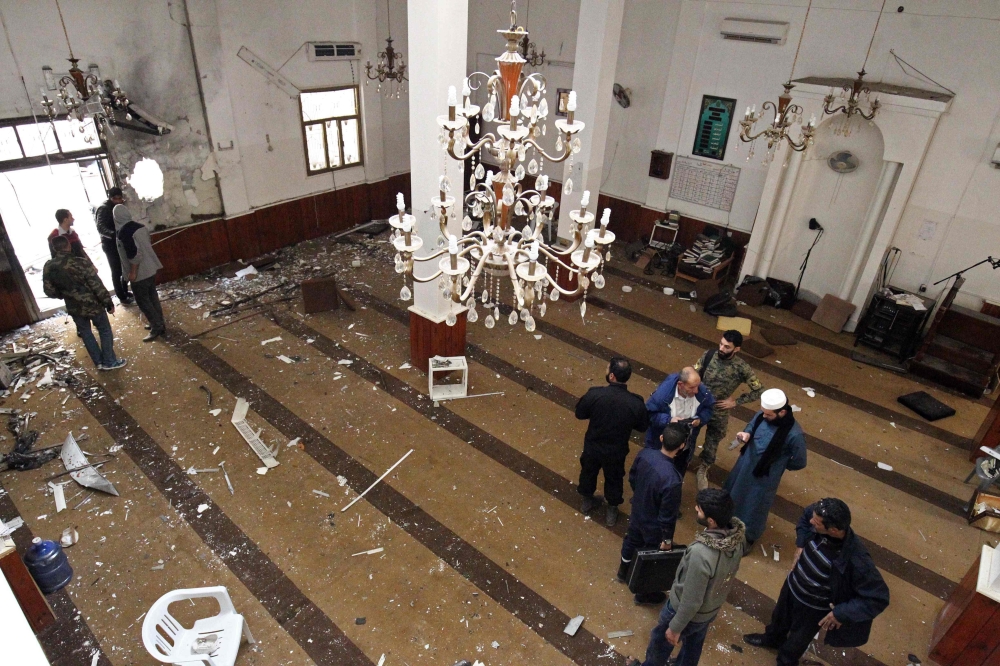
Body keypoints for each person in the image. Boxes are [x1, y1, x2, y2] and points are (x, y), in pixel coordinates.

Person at [744, 499, 889, 665]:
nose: (812, 522)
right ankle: (773, 639)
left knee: (798, 639)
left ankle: (786, 661)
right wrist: (801, 543)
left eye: (817, 523)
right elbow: (806, 517)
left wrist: (840, 613)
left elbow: (878, 598)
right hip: (792, 587)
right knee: (779, 618)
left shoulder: (857, 561)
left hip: (813, 607)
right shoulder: (818, 518)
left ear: (833, 530)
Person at [632, 488, 747, 666]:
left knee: (660, 644)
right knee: (693, 645)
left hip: (683, 612)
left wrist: (675, 627)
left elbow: (691, 600)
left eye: (699, 509)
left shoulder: (701, 553)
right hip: (709, 610)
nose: (695, 509)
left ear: (711, 521)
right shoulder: (738, 539)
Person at [723, 388, 806, 547]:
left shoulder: (794, 434)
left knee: (753, 507)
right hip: (744, 466)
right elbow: (752, 425)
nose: (764, 416)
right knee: (733, 495)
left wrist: (777, 464)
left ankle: (746, 538)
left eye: (768, 414)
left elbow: (800, 461)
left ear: (781, 412)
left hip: (764, 478)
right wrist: (746, 434)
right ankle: (725, 524)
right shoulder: (763, 415)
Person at [618, 423, 688, 605]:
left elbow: (632, 478)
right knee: (650, 557)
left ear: (662, 438)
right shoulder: (673, 479)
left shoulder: (645, 454)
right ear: (682, 446)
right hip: (653, 524)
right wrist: (667, 540)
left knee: (631, 540)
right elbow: (668, 514)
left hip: (638, 511)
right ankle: (643, 594)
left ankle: (623, 571)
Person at [576, 357, 650, 526]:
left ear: (612, 377)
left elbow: (579, 413)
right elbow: (642, 425)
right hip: (616, 450)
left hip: (593, 446)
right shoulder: (635, 402)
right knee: (614, 478)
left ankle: (587, 500)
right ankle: (612, 508)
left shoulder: (595, 394)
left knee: (588, 472)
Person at [692, 330, 764, 491]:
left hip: (719, 410)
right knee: (689, 434)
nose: (722, 349)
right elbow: (694, 372)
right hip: (698, 404)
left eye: (727, 347)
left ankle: (703, 468)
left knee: (712, 441)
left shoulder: (741, 368)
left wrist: (736, 402)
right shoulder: (709, 355)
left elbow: (759, 390)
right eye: (721, 344)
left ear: (736, 349)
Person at [43, 235, 126, 370]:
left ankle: (99, 362)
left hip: (73, 307)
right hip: (92, 304)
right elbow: (96, 285)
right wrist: (108, 302)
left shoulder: (49, 266)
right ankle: (110, 361)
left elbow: (49, 291)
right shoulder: (80, 262)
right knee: (104, 330)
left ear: (54, 248)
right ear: (68, 246)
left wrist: (63, 294)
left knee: (86, 333)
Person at [645, 367, 715, 477]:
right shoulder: (662, 397)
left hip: (686, 446)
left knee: (677, 473)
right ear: (680, 384)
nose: (696, 391)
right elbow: (649, 415)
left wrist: (700, 419)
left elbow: (709, 408)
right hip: (661, 446)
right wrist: (669, 420)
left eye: (698, 386)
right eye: (692, 387)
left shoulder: (702, 392)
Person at [114, 203, 165, 341]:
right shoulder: (140, 227)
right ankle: (159, 322)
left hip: (140, 272)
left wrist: (133, 272)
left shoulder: (124, 232)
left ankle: (156, 327)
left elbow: (135, 254)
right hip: (151, 268)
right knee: (152, 296)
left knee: (143, 301)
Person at [94, 187, 132, 304]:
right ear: (111, 198)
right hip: (110, 245)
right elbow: (101, 228)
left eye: (120, 198)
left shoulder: (118, 206)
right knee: (116, 271)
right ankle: (121, 295)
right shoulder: (104, 208)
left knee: (124, 268)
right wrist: (115, 235)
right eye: (116, 199)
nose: (119, 201)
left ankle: (125, 291)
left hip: (119, 242)